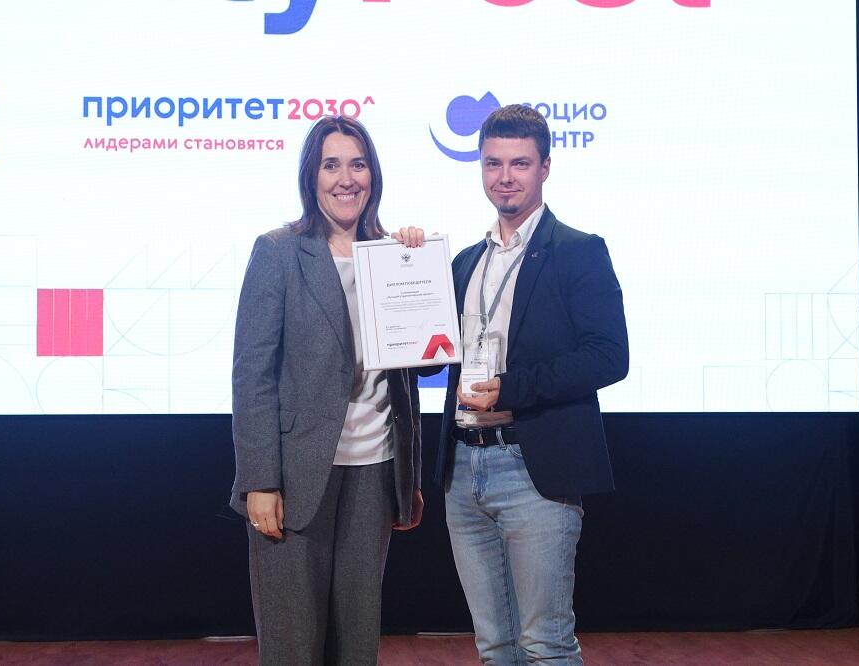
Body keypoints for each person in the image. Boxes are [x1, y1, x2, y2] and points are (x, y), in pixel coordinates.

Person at [229, 115, 426, 666]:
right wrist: (260, 481)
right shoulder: (279, 252)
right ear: (310, 177)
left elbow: (420, 368)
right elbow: (252, 375)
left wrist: (419, 266)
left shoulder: (393, 256)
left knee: (357, 644)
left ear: (373, 175)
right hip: (296, 478)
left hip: (374, 471)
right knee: (293, 644)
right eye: (331, 165)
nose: (346, 179)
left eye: (358, 165)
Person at [436, 104, 629, 665]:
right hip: (462, 468)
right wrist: (404, 264)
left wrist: (511, 387)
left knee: (545, 644)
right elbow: (432, 358)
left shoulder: (578, 251)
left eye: (519, 163)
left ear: (545, 167)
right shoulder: (464, 262)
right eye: (493, 163)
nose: (505, 177)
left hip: (532, 467)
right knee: (494, 646)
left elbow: (609, 357)